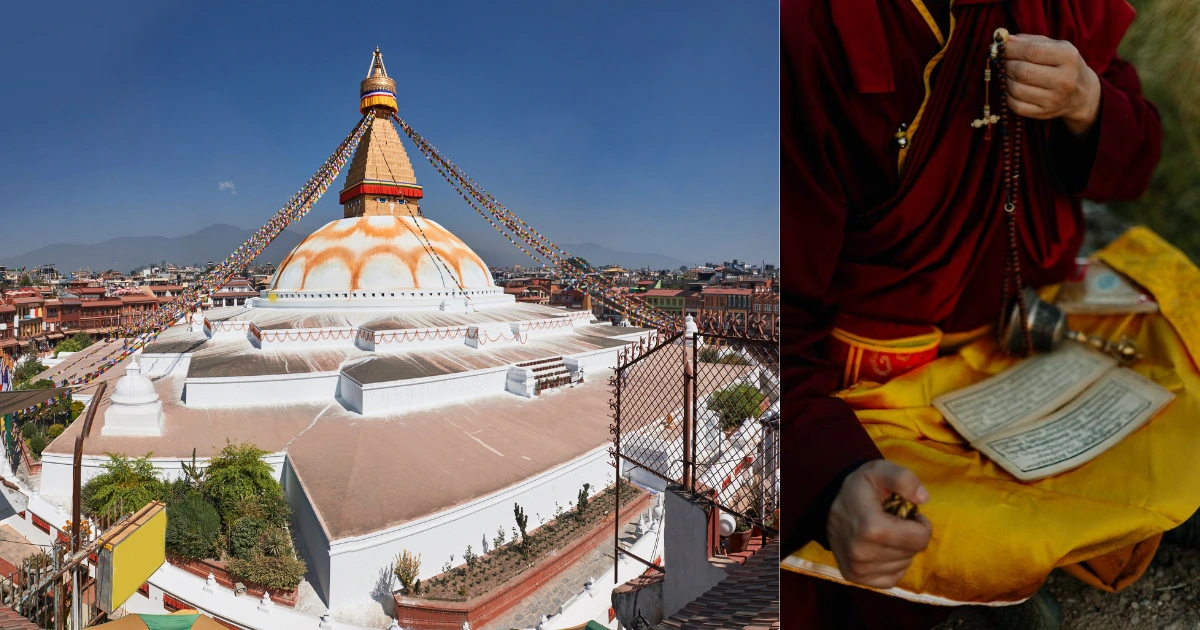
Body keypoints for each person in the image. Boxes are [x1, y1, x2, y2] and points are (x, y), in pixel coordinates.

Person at [780, 0, 1178, 628]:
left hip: (1028, 331)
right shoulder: (805, 34)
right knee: (897, 523)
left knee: (1186, 335)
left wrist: (1086, 101)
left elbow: (1138, 160)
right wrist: (834, 481)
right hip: (884, 387)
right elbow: (779, 322)